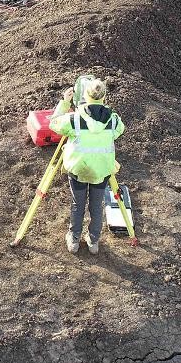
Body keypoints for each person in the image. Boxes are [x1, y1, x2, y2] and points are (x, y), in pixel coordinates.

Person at [49, 76, 124, 255]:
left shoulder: (74, 120)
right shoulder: (113, 119)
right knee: (96, 206)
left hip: (79, 170)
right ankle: (93, 242)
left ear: (84, 95)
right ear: (104, 97)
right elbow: (119, 131)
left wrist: (64, 104)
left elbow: (53, 124)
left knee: (78, 204)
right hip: (101, 171)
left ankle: (74, 240)